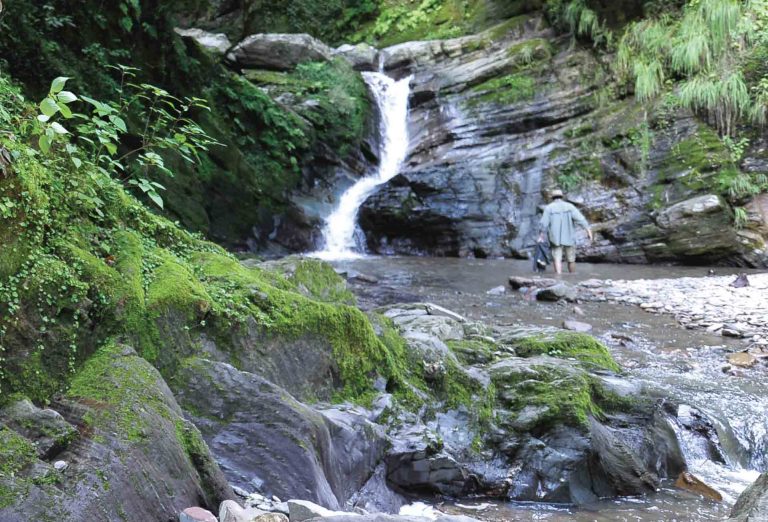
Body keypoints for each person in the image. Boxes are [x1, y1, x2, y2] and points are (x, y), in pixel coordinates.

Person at [538, 189, 593, 274]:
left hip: (555, 238)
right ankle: (572, 276)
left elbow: (543, 224)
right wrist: (588, 231)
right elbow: (581, 219)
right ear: (562, 197)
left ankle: (558, 278)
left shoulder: (549, 208)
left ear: (552, 197)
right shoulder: (570, 207)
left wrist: (541, 236)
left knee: (557, 259)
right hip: (569, 237)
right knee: (571, 259)